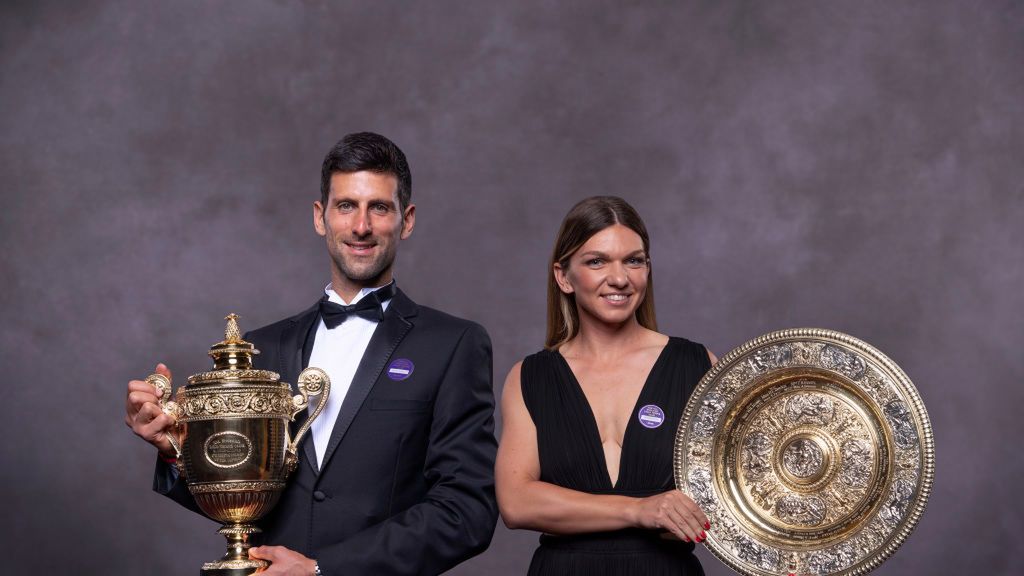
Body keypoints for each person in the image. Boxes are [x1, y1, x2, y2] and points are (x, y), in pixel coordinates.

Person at [125, 132, 498, 575]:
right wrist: (174, 450)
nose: (361, 226)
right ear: (320, 217)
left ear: (407, 219)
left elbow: (466, 512)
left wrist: (324, 570)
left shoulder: (452, 345)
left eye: (379, 207)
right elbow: (236, 494)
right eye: (346, 206)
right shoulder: (262, 351)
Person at [496, 196, 715, 575]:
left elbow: (732, 492)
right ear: (563, 276)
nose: (619, 278)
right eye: (596, 261)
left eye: (634, 260)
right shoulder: (529, 377)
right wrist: (638, 509)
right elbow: (516, 503)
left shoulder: (698, 366)